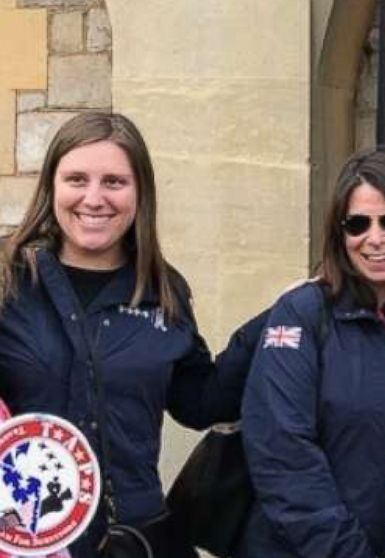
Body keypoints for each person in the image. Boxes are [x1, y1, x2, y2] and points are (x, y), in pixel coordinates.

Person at [0, 112, 248, 556]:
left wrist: (277, 322)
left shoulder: (162, 289)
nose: (93, 198)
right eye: (76, 179)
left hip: (133, 538)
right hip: (27, 540)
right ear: (52, 186)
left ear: (140, 194)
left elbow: (200, 401)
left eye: (114, 182)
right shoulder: (8, 280)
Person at [238, 150, 385, 557]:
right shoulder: (302, 313)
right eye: (358, 224)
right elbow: (284, 454)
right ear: (340, 234)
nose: (376, 238)